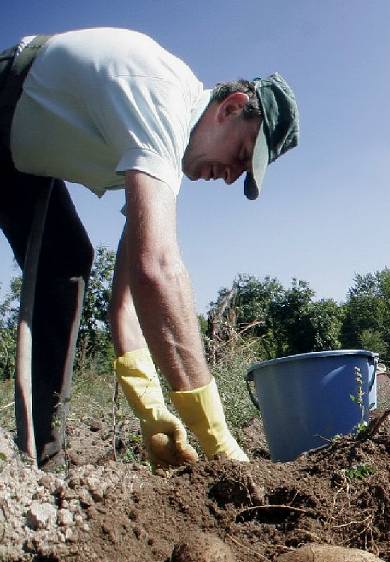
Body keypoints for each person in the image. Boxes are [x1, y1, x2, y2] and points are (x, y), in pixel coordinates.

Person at [0, 28, 299, 470]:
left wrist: (152, 414)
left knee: (67, 262)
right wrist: (218, 441)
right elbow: (157, 270)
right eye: (242, 154)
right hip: (8, 100)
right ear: (232, 107)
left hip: (23, 152)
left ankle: (44, 461)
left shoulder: (157, 159)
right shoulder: (162, 100)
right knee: (67, 259)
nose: (232, 176)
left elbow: (125, 308)